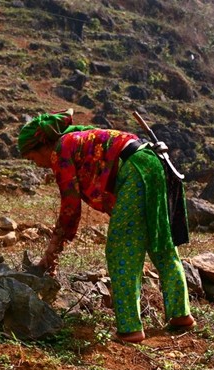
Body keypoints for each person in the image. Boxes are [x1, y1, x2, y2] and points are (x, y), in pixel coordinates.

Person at [17, 109, 195, 343]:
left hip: (134, 170)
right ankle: (180, 314)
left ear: (41, 145)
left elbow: (70, 208)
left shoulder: (61, 150)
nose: (37, 165)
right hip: (151, 164)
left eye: (32, 158)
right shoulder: (76, 138)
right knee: (159, 241)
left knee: (120, 250)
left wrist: (52, 251)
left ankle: (129, 328)